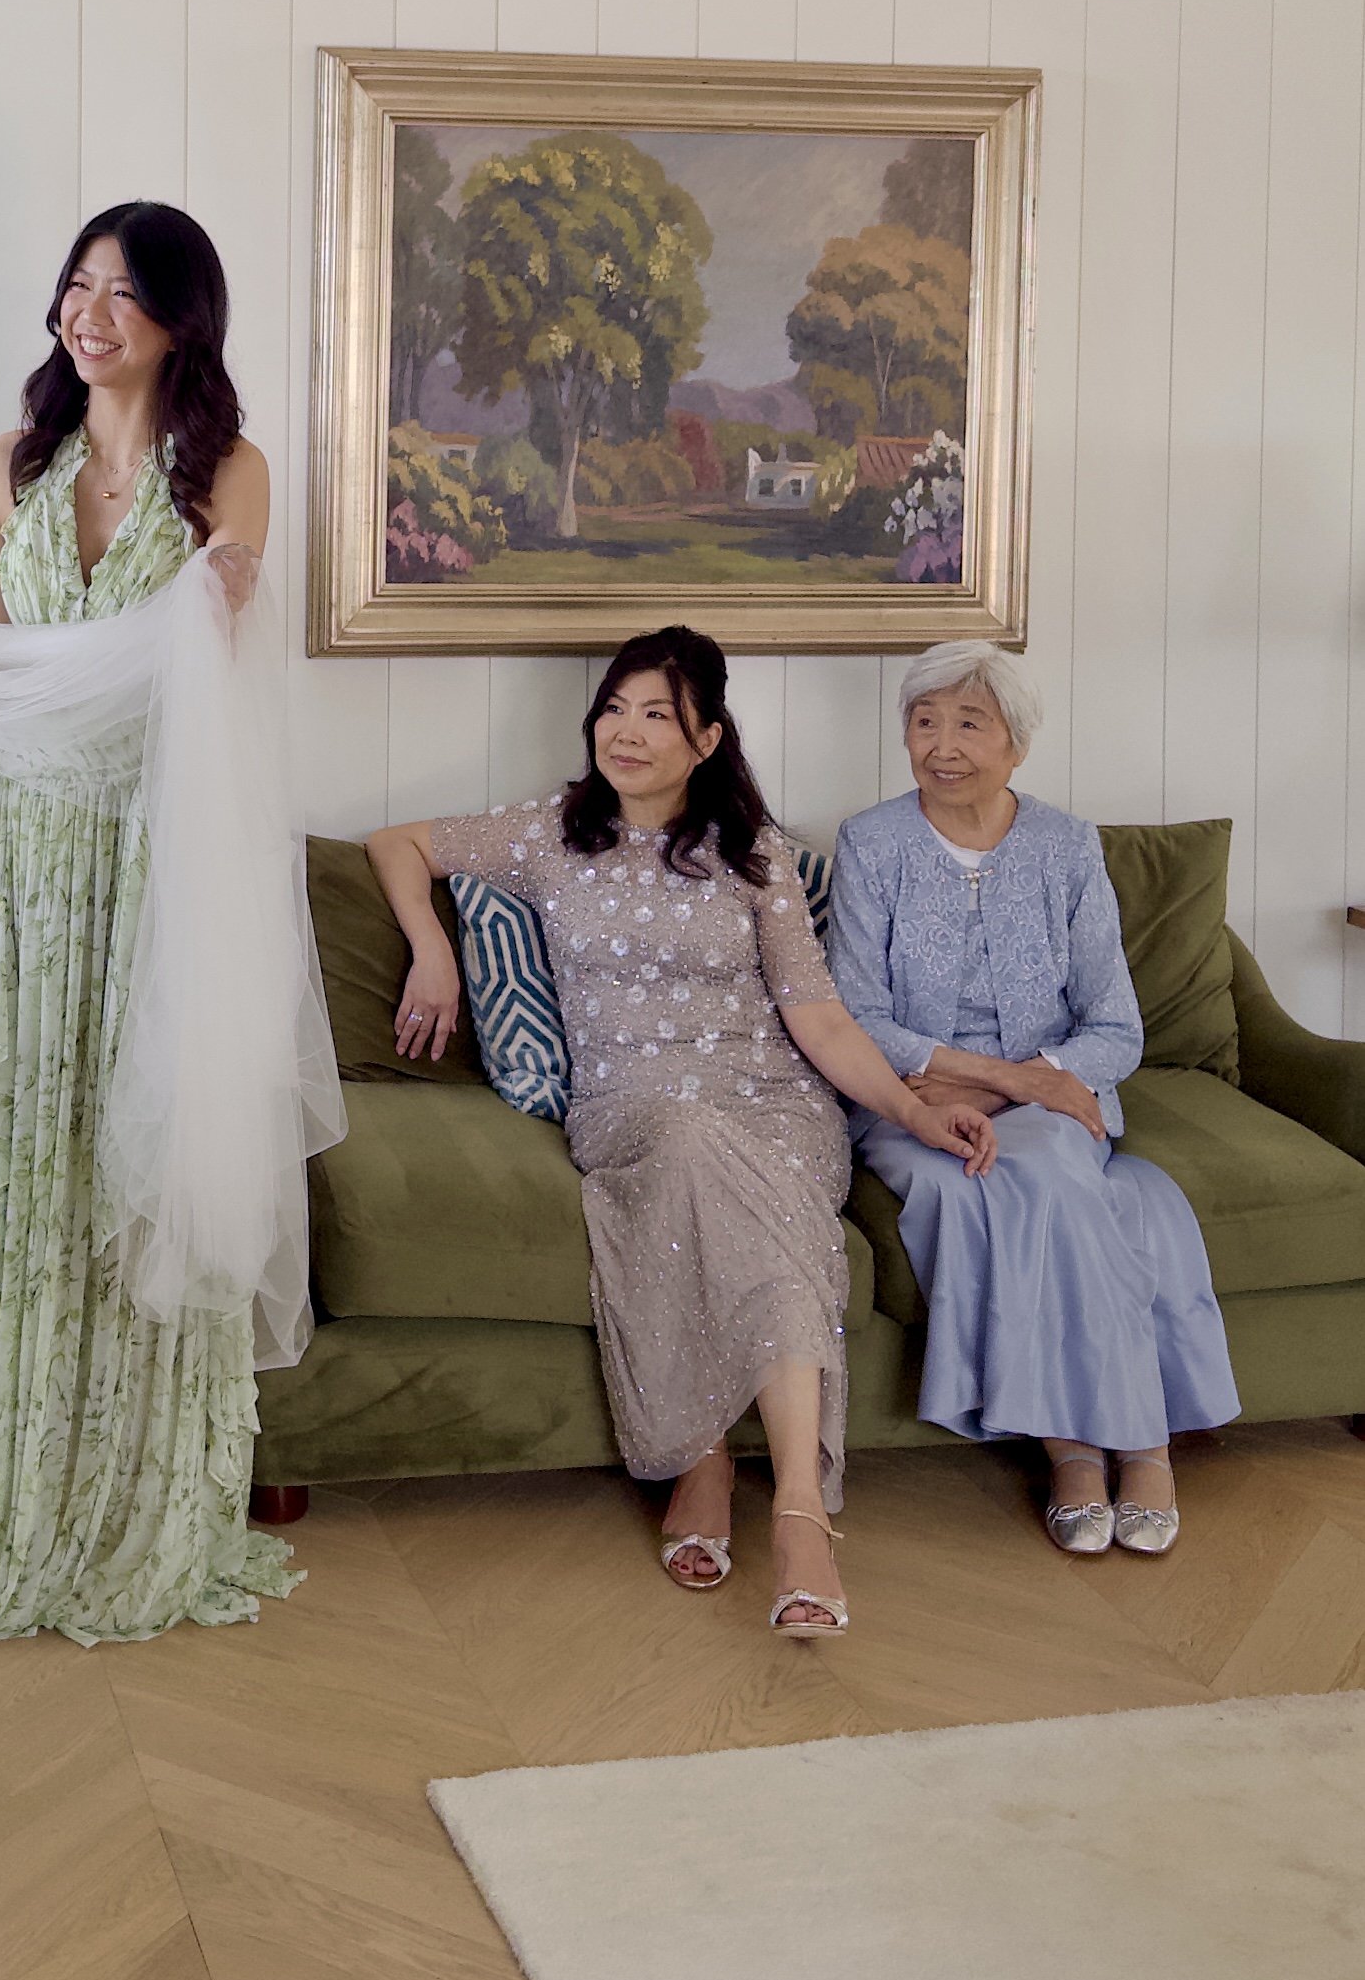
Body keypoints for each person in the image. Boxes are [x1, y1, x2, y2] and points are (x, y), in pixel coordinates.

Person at [0, 200, 326, 1646]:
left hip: (153, 861)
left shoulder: (229, 472)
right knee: (15, 1163)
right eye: (75, 285)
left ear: (180, 320)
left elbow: (206, 656)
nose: (88, 312)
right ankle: (2, 1496)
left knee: (127, 1174)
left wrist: (199, 591)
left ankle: (131, 1499)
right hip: (22, 866)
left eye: (123, 291)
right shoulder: (9, 467)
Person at [366, 628, 997, 1633]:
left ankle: (786, 1506)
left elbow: (819, 1018)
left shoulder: (756, 859)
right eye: (615, 707)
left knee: (769, 1198)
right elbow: (397, 844)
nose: (626, 730)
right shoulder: (546, 835)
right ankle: (716, 1464)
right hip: (633, 1105)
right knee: (693, 1145)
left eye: (657, 713)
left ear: (706, 739)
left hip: (776, 1102)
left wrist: (917, 1109)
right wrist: (432, 950)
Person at [830, 642, 1238, 1556]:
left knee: (1048, 1164)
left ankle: (1111, 1448)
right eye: (923, 722)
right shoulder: (872, 843)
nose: (941, 746)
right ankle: (1098, 1448)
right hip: (915, 1103)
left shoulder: (1066, 846)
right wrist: (1010, 1078)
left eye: (969, 724)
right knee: (963, 1181)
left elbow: (1115, 1028)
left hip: (1052, 1102)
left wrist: (1043, 1079)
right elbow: (856, 1013)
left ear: (1016, 744)